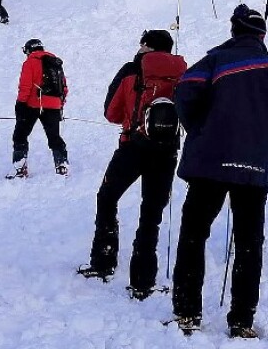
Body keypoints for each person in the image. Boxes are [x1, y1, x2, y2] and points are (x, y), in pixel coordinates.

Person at [169, 5, 268, 338]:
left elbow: (184, 92)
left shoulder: (215, 61)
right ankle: (241, 319)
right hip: (255, 167)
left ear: (234, 31)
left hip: (209, 162)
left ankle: (187, 313)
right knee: (250, 242)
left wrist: (198, 127)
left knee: (194, 235)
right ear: (262, 35)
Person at [77, 30, 187, 300]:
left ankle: (103, 261)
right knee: (151, 213)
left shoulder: (132, 70)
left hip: (132, 146)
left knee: (107, 197)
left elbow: (111, 113)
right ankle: (143, 280)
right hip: (167, 152)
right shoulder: (182, 74)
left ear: (146, 47)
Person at [9, 39, 70, 179]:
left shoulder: (30, 62)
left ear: (28, 50)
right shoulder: (56, 63)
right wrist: (60, 104)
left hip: (33, 104)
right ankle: (61, 164)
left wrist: (20, 104)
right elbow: (64, 87)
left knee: (20, 135)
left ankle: (20, 168)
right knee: (54, 136)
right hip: (54, 105)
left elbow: (25, 86)